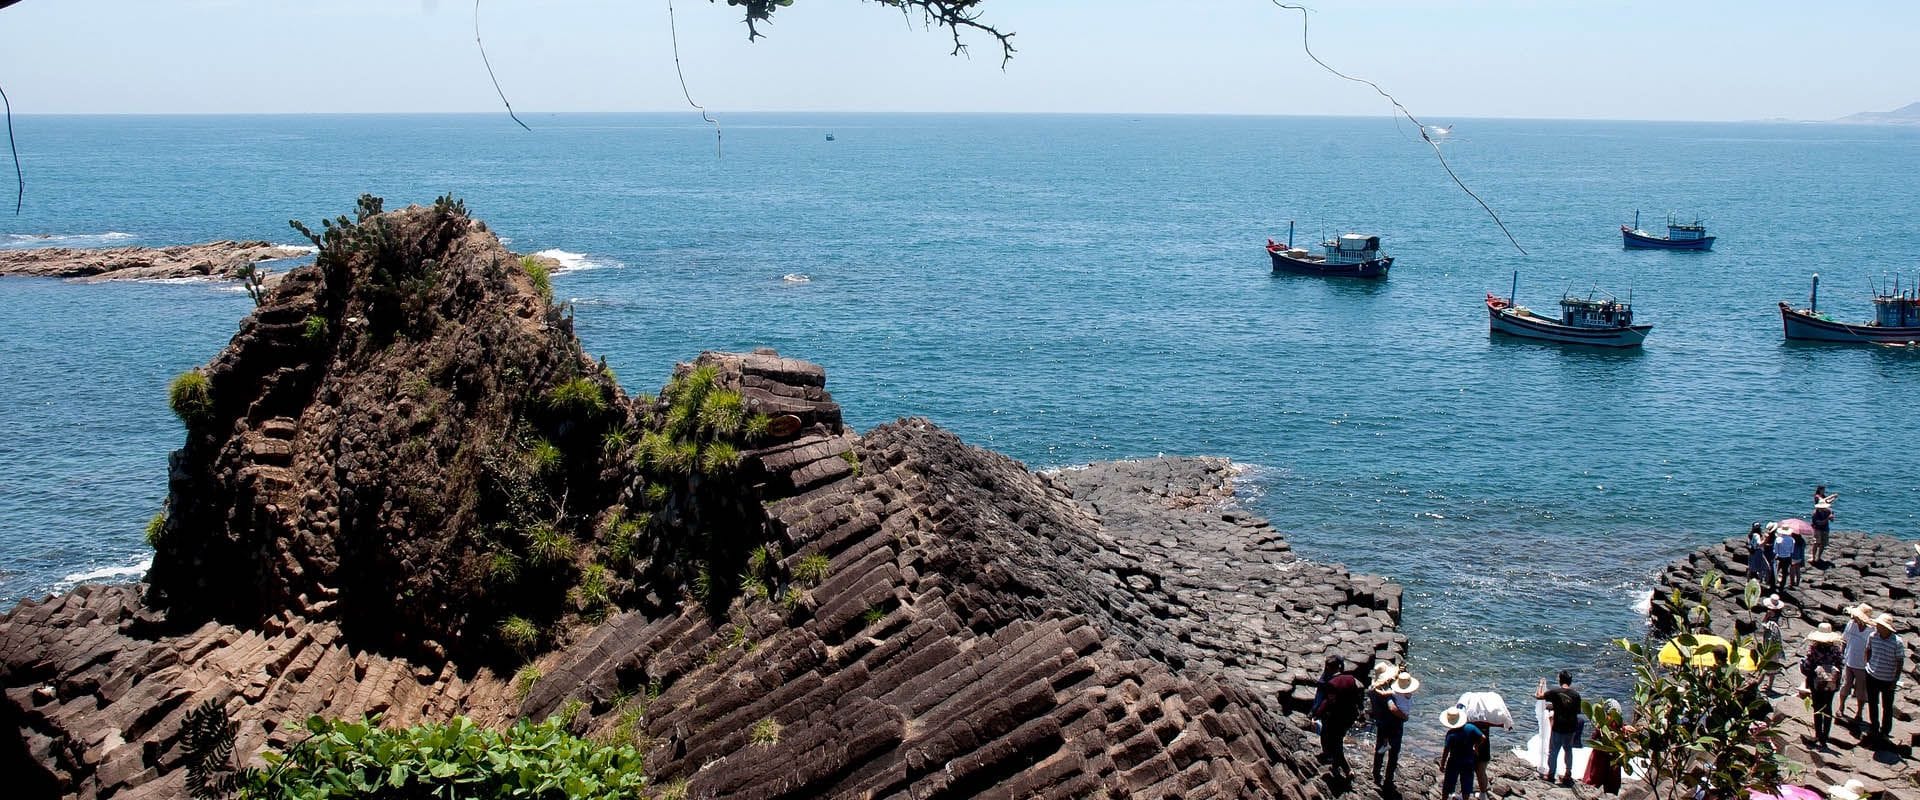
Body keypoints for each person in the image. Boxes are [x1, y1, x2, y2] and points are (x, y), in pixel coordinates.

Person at [1311, 655, 1364, 778]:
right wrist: (1361, 710)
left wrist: (1317, 714)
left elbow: (1329, 702)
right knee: (1337, 740)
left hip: (1336, 718)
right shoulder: (1350, 679)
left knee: (1335, 743)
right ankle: (1335, 765)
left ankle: (1346, 769)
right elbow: (1357, 697)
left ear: (1329, 668)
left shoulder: (1332, 683)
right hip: (1349, 716)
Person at [1799, 622, 1846, 747]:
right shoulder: (1836, 650)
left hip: (1816, 684)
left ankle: (1818, 735)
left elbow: (1807, 666)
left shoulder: (1814, 649)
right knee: (1828, 707)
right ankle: (1825, 737)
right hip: (1831, 684)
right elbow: (1841, 665)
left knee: (1817, 708)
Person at [1370, 666, 1417, 788]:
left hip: (1381, 723)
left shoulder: (1373, 690)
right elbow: (1392, 708)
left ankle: (1376, 775)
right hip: (1394, 724)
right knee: (1393, 753)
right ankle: (1388, 780)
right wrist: (1404, 717)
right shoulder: (1388, 693)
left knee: (1379, 749)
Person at [1863, 612, 1907, 740]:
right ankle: (1874, 726)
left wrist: (1895, 679)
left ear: (1886, 628)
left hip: (1888, 679)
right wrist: (1867, 664)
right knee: (1872, 703)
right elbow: (1868, 650)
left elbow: (1900, 661)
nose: (1877, 626)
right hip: (1872, 675)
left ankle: (1885, 730)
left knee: (1887, 707)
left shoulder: (1897, 642)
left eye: (1879, 625)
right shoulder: (1873, 636)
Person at [1536, 671, 1581, 784]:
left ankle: (1551, 774)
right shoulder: (1576, 695)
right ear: (1570, 681)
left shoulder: (1555, 692)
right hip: (1570, 728)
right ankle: (1568, 774)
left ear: (1560, 680)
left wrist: (1541, 684)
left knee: (1553, 751)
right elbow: (1575, 711)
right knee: (1568, 751)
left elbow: (1538, 696)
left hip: (1558, 727)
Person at [1840, 604, 1876, 729]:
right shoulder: (1851, 624)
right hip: (1849, 661)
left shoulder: (1871, 630)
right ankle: (1841, 707)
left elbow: (1872, 649)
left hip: (1862, 665)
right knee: (1845, 685)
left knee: (1861, 690)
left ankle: (1859, 713)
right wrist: (1841, 655)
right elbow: (1844, 640)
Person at [1581, 698, 1626, 795]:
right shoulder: (1620, 725)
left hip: (1600, 756)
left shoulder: (1603, 724)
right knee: (1612, 786)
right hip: (1614, 756)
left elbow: (1594, 738)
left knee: (1592, 781)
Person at [1440, 705, 1484, 800]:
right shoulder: (1471, 728)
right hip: (1468, 760)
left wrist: (1442, 764)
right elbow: (1483, 737)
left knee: (1448, 783)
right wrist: (1476, 746)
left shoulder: (1451, 734)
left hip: (1454, 761)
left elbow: (1446, 751)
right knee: (1467, 783)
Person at [1759, 595, 1786, 692]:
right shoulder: (1776, 618)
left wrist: (1766, 617)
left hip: (1771, 648)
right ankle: (1769, 686)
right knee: (1772, 668)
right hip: (1774, 647)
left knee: (1764, 667)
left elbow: (1765, 626)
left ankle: (1756, 684)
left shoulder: (1771, 622)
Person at [1811, 487, 1836, 565]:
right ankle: (1813, 557)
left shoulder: (1827, 510)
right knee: (1816, 543)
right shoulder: (1815, 514)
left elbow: (1832, 516)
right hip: (1817, 528)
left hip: (1825, 529)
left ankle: (1819, 557)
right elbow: (1819, 523)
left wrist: (1831, 516)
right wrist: (1827, 519)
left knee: (1823, 544)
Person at [1746, 522, 1774, 587]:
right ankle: (1763, 582)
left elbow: (1751, 543)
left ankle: (1748, 581)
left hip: (1752, 552)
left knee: (1751, 567)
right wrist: (1766, 539)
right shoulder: (1757, 535)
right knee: (1766, 567)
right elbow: (1760, 544)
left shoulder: (1750, 534)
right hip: (1758, 553)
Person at [1771, 522, 1797, 591]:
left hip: (1779, 557)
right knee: (1785, 573)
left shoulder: (1778, 539)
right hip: (1787, 557)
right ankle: (1782, 586)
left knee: (1776, 571)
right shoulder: (1792, 540)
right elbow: (1792, 551)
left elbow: (1775, 550)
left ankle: (1774, 584)